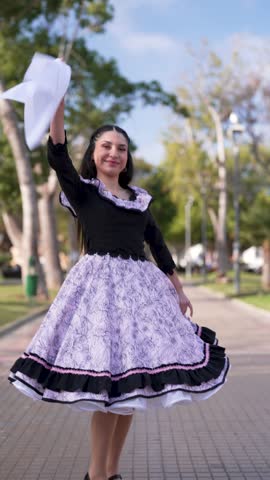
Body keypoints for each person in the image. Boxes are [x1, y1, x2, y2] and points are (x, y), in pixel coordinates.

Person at [8, 96, 230, 480]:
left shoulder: (139, 200)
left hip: (140, 298)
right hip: (98, 296)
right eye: (107, 146)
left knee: (130, 395)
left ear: (128, 158)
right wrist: (60, 98)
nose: (115, 153)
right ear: (94, 154)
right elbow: (57, 150)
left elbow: (157, 244)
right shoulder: (83, 191)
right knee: (105, 394)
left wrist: (177, 288)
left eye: (122, 148)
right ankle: (96, 475)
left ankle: (112, 472)